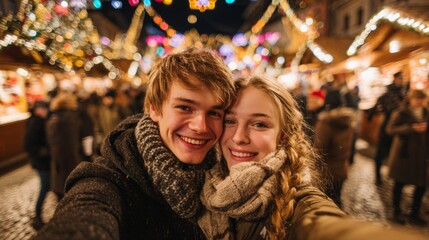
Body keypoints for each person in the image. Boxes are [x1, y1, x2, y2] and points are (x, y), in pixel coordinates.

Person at [35, 47, 235, 239]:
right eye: (184, 107)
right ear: (154, 109)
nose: (201, 126)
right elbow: (86, 210)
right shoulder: (113, 178)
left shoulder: (227, 172)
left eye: (214, 113)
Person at [197, 76, 427, 240]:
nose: (238, 138)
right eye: (230, 121)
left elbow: (325, 225)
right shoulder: (206, 184)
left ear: (283, 135)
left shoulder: (299, 200)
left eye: (259, 124)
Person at [386, 89, 428, 225]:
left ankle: (415, 212)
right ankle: (396, 211)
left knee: (422, 184)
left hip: (421, 154)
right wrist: (411, 128)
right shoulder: (401, 112)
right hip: (404, 154)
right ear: (410, 99)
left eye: (422, 100)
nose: (420, 102)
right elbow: (391, 129)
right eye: (418, 99)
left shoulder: (426, 112)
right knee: (399, 183)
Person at [313, 88, 356, 208]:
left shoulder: (326, 122)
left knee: (324, 203)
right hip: (341, 170)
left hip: (326, 172)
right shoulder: (348, 123)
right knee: (337, 199)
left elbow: (319, 150)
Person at [368, 71, 407, 185]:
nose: (402, 80)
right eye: (400, 78)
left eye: (402, 79)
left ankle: (392, 175)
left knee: (393, 153)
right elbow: (384, 108)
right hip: (386, 126)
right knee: (381, 152)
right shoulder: (388, 93)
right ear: (395, 79)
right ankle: (378, 176)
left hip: (398, 127)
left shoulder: (404, 93)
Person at [46, 93, 85, 200]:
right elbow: (72, 147)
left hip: (58, 165)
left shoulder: (53, 118)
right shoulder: (69, 119)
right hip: (69, 166)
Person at [23, 100, 51, 230]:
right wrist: (44, 151)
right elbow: (28, 145)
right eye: (45, 109)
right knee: (45, 186)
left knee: (49, 185)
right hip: (41, 162)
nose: (46, 112)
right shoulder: (35, 123)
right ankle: (37, 216)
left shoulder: (37, 121)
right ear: (38, 110)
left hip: (42, 161)